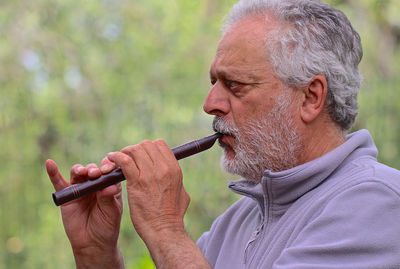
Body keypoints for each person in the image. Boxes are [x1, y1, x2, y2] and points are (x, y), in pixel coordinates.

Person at [46, 0, 400, 268]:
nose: (210, 103)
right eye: (214, 82)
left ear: (310, 97)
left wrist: (165, 228)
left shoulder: (377, 204)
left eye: (235, 85)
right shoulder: (239, 220)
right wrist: (96, 254)